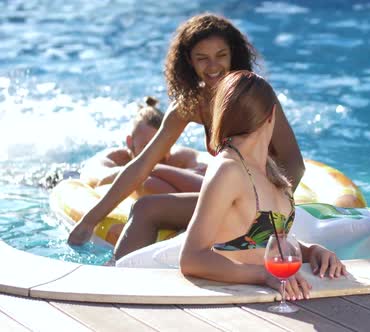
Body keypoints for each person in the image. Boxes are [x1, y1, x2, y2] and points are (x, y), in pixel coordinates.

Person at [68, 13, 305, 254]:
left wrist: (272, 216)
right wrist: (91, 218)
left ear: (234, 55)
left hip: (264, 206)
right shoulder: (190, 105)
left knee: (148, 208)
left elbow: (295, 163)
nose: (213, 67)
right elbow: (142, 165)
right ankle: (122, 277)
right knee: (145, 207)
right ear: (189, 62)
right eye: (202, 58)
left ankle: (119, 280)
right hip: (231, 197)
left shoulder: (256, 99)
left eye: (221, 56)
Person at [177, 70, 345, 299]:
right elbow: (192, 258)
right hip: (239, 303)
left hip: (277, 296)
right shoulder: (228, 169)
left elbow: (267, 242)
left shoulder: (270, 169)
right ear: (271, 115)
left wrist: (312, 252)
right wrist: (263, 275)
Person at [80, 96, 206, 197]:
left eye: (162, 146)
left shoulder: (181, 157)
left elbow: (210, 169)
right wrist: (138, 174)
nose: (155, 154)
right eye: (147, 146)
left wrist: (153, 172)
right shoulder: (113, 159)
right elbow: (97, 177)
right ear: (130, 142)